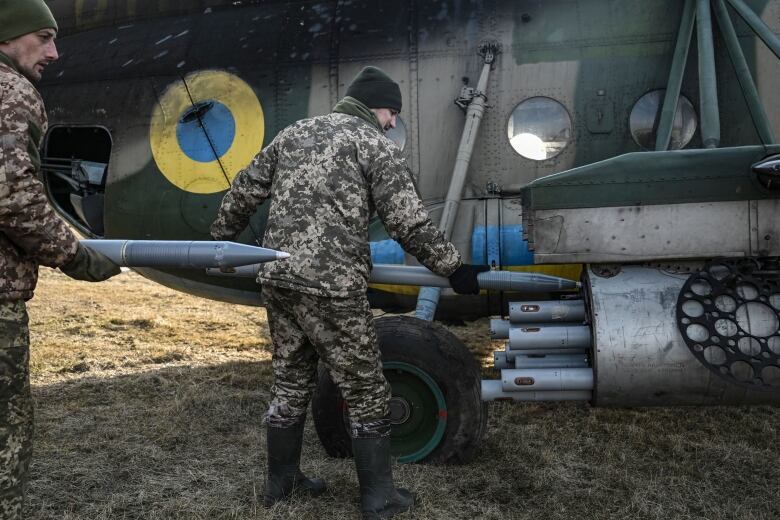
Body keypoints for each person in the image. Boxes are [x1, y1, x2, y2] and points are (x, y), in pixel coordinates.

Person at [211, 65, 487, 519]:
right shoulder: (373, 144)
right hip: (332, 287)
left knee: (290, 379)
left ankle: (282, 481)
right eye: (392, 113)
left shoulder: (295, 133)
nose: (393, 122)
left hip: (277, 278)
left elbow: (245, 187)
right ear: (378, 108)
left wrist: (223, 237)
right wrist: (454, 269)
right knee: (365, 389)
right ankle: (379, 497)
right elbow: (407, 222)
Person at [0, 1, 121, 517]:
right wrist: (74, 255)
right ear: (8, 36)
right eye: (44, 37)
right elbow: (12, 197)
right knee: (6, 422)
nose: (54, 51)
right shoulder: (10, 91)